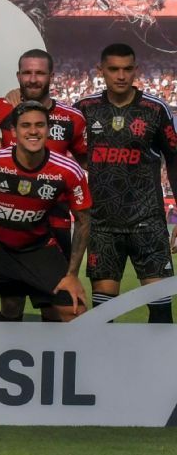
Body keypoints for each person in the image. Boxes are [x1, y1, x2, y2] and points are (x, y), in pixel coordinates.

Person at [0, 102, 92, 322]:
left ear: (48, 129)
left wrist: (71, 275)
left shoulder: (68, 170)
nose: (33, 131)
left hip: (37, 247)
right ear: (14, 131)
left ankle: (65, 356)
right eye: (26, 125)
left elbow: (83, 220)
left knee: (76, 312)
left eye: (39, 125)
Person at [0, 48, 88, 321]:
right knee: (11, 305)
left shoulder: (72, 118)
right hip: (12, 225)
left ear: (51, 76)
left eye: (39, 73)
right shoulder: (2, 107)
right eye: (27, 73)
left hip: (56, 223)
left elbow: (85, 162)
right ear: (18, 76)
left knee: (54, 306)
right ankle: (6, 361)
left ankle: (52, 363)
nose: (32, 79)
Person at [75, 43, 177, 323]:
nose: (121, 75)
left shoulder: (155, 109)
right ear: (101, 71)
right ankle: (105, 368)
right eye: (114, 69)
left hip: (148, 223)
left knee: (160, 311)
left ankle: (160, 368)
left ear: (136, 70)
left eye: (127, 69)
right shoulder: (85, 108)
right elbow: (60, 149)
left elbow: (174, 160)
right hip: (103, 225)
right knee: (103, 315)